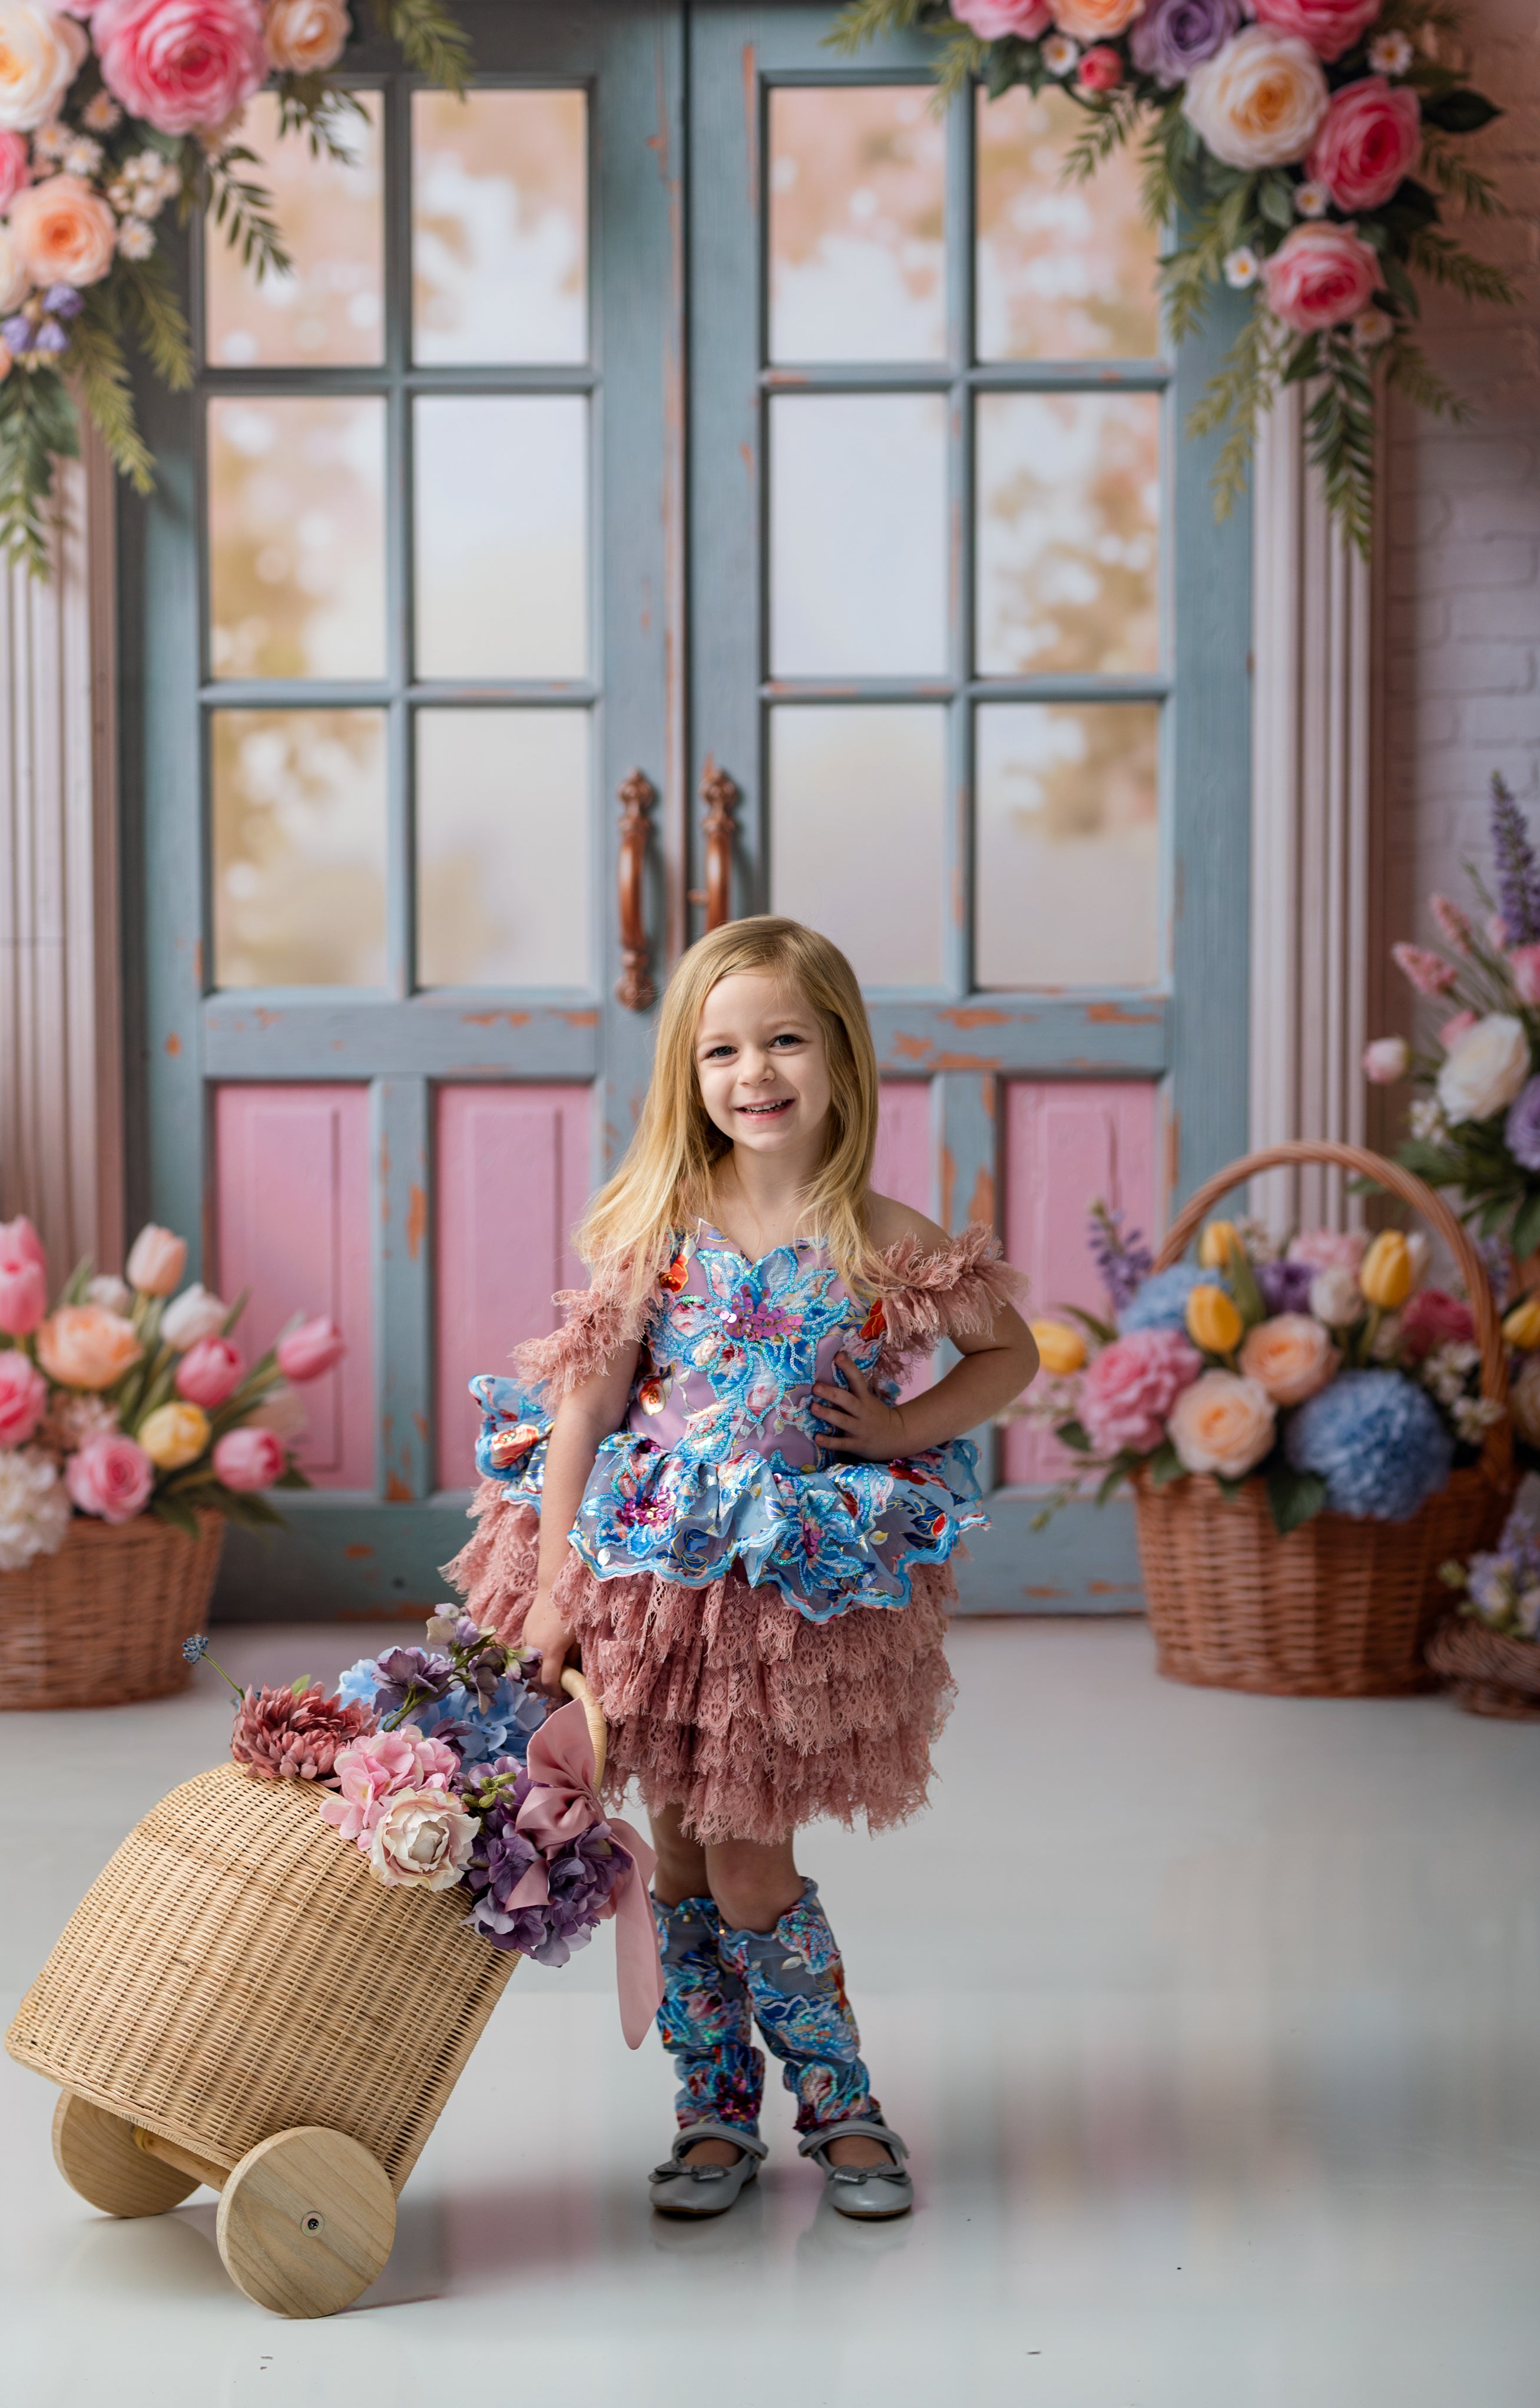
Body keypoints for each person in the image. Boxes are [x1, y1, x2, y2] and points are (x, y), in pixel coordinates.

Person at [451, 916, 1037, 2222]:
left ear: (838, 1053)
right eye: (721, 1048)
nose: (752, 1072)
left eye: (782, 1039)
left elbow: (1009, 1356)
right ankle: (713, 2105)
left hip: (783, 1591)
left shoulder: (880, 1234)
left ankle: (838, 2101)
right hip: (648, 1576)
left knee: (750, 1862)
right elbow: (585, 1411)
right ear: (687, 1069)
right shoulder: (660, 1221)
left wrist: (896, 1426)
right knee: (671, 1858)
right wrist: (553, 1581)